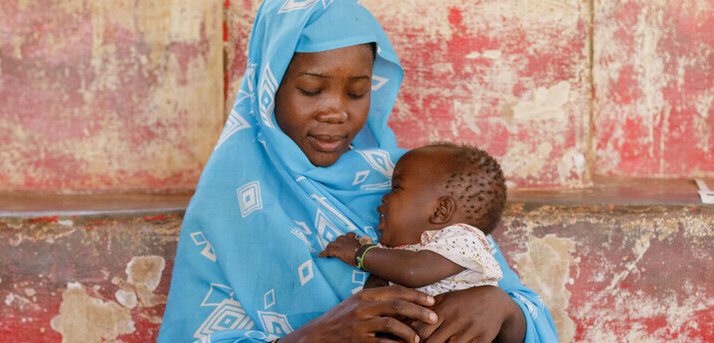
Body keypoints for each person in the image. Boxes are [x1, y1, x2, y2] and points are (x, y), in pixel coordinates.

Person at [157, 1, 559, 342]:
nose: (336, 111)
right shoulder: (225, 203)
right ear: (269, 85)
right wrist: (317, 335)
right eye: (311, 90)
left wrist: (503, 310)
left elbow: (519, 305)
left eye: (356, 92)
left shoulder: (406, 180)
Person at [318, 143, 506, 297]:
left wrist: (360, 253)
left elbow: (413, 271)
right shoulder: (404, 254)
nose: (383, 198)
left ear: (441, 211)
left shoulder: (463, 239)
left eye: (396, 188)